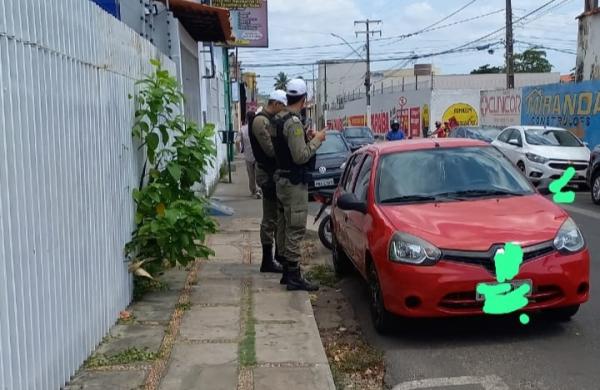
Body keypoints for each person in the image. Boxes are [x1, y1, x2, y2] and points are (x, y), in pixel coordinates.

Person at [272, 79, 326, 291]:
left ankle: (287, 271)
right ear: (304, 100)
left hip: (281, 181)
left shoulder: (278, 119)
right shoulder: (293, 122)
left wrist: (306, 138)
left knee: (284, 226)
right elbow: (300, 155)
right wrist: (317, 140)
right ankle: (293, 276)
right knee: (295, 228)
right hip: (293, 183)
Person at [249, 90, 288, 274]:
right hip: (267, 174)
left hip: (273, 173)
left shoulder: (268, 120)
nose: (282, 111)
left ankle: (276, 257)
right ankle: (267, 261)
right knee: (270, 218)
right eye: (282, 106)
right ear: (277, 104)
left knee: (278, 216)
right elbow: (271, 150)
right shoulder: (261, 121)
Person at [237, 111, 261, 198]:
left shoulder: (243, 129)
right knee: (258, 173)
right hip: (258, 155)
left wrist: (240, 150)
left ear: (246, 118)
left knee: (251, 175)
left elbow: (237, 141)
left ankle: (253, 191)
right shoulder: (258, 127)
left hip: (248, 156)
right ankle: (259, 190)